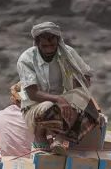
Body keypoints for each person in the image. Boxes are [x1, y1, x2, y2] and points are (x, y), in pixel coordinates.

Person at [16, 21, 106, 155]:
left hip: (63, 104)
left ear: (58, 41)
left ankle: (59, 138)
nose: (49, 50)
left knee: (81, 96)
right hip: (36, 106)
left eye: (52, 45)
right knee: (48, 106)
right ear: (37, 43)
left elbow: (85, 77)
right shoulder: (26, 59)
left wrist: (78, 82)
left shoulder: (67, 53)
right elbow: (33, 93)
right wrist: (59, 99)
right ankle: (41, 138)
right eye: (44, 46)